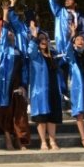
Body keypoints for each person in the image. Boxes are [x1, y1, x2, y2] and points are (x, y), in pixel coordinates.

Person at [0, 1, 31, 150]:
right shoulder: (2, 49)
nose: (10, 34)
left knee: (19, 112)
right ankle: (7, 138)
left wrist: (24, 85)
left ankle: (20, 139)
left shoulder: (20, 52)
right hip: (4, 83)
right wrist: (5, 12)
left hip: (17, 84)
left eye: (12, 33)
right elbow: (5, 26)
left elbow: (25, 69)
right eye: (8, 33)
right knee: (5, 110)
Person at [27, 21, 63, 150]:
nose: (43, 41)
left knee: (52, 116)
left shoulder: (53, 55)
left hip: (53, 89)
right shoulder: (35, 55)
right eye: (41, 39)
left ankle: (52, 140)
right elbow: (30, 50)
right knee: (42, 117)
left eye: (45, 39)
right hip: (40, 90)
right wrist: (34, 36)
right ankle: (43, 141)